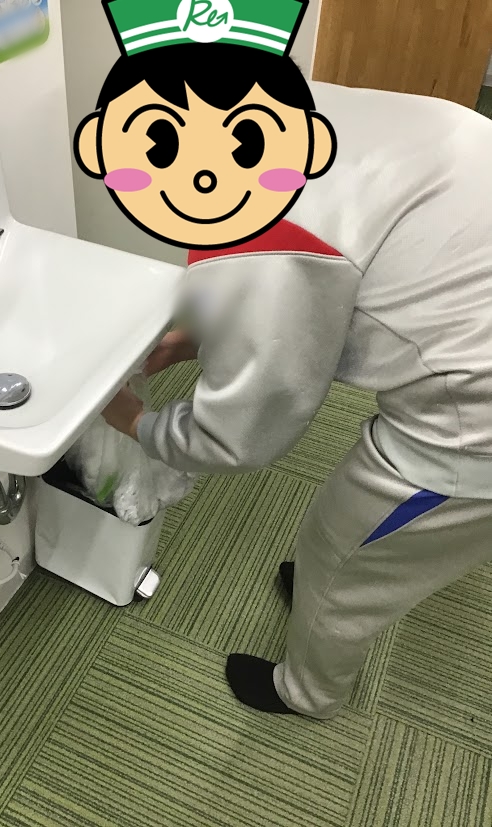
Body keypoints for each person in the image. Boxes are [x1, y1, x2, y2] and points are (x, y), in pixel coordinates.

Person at [76, 3, 492, 721]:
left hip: (470, 427)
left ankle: (309, 691)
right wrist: (202, 335)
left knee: (341, 546)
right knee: (344, 536)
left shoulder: (266, 229)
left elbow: (247, 428)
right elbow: (313, 297)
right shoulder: (297, 107)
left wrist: (137, 421)